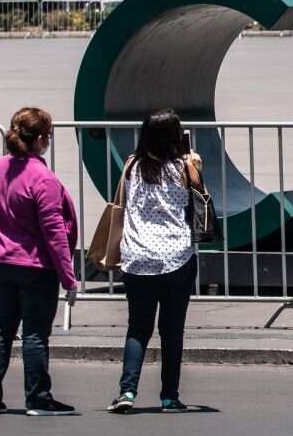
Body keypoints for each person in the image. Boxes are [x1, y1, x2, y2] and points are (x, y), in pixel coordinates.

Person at [0, 107, 78, 416]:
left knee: (0, 328)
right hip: (34, 267)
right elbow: (54, 233)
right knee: (35, 334)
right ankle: (38, 398)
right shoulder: (43, 178)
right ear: (39, 139)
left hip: (0, 262)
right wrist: (69, 278)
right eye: (48, 136)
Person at [107, 109, 199, 414]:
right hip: (176, 256)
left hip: (137, 257)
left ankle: (127, 390)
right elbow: (200, 198)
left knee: (137, 327)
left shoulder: (132, 166)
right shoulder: (185, 166)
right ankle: (169, 396)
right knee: (172, 330)